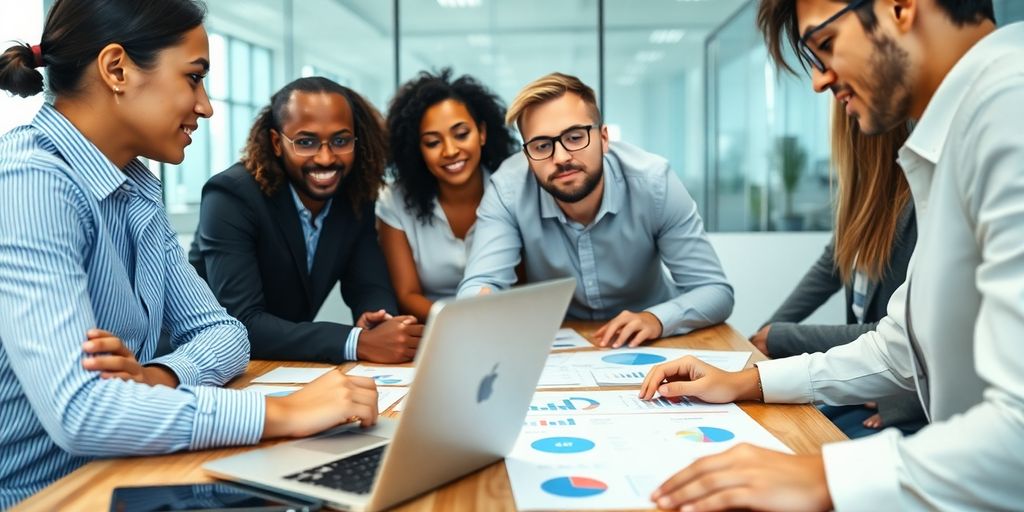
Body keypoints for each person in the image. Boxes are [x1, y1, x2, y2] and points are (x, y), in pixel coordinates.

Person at [640, 1, 1024, 510]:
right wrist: (747, 381)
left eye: (824, 45)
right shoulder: (963, 125)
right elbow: (900, 347)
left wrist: (825, 477)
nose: (820, 81)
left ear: (901, 7)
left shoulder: (1009, 106)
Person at [0, 1, 378, 508]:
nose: (206, 106)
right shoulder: (29, 182)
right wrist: (282, 413)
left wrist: (157, 377)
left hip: (140, 468)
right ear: (117, 69)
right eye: (193, 78)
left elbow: (225, 334)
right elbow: (83, 413)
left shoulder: (135, 184)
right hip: (49, 495)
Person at [457, 72, 734, 347]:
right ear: (527, 155)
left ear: (603, 138)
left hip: (652, 339)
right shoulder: (508, 189)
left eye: (575, 138)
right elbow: (481, 283)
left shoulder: (654, 183)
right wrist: (477, 307)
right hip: (559, 341)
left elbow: (715, 291)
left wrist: (656, 319)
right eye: (542, 146)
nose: (562, 157)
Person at [189, 77, 423, 364]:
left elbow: (368, 284)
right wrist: (356, 342)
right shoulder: (231, 196)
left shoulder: (353, 196)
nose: (326, 158)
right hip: (199, 362)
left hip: (280, 365)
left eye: (340, 141)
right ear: (277, 142)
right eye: (306, 142)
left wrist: (380, 319)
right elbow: (242, 322)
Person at [750, 102, 924, 438]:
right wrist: (765, 333)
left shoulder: (915, 206)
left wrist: (782, 337)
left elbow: (898, 335)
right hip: (871, 380)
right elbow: (830, 266)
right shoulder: (864, 197)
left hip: (899, 393)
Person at [377, 69, 517, 322]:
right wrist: (458, 320)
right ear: (417, 149)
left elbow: (525, 283)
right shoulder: (394, 201)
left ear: (482, 133)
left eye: (461, 134)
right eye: (432, 142)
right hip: (433, 327)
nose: (450, 151)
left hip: (505, 322)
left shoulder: (512, 190)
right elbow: (407, 294)